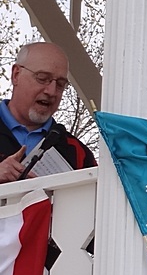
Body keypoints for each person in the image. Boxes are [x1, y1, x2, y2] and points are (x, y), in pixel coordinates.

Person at [0, 41, 96, 182]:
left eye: (60, 84)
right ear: (16, 75)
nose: (51, 91)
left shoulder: (77, 152)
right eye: (42, 78)